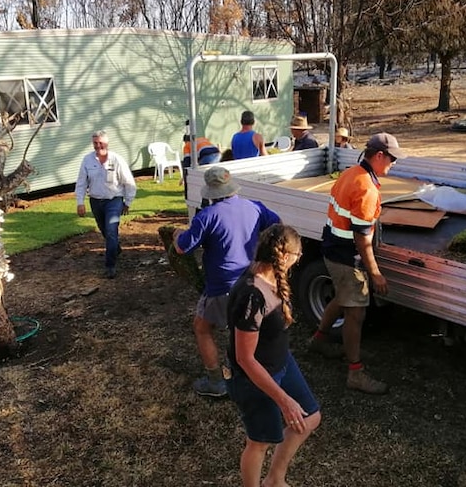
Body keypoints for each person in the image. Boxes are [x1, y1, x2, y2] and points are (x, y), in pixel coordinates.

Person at [307, 133, 406, 394]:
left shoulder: (351, 173)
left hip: (331, 248)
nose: (393, 164)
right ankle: (355, 373)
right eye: (392, 159)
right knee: (356, 312)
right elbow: (363, 240)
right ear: (379, 156)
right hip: (345, 257)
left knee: (342, 298)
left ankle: (318, 340)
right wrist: (375, 273)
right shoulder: (366, 187)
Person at [173, 166, 281, 398]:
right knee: (248, 331)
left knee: (202, 328)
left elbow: (182, 247)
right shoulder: (254, 207)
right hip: (253, 282)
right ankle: (261, 376)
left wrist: (175, 235)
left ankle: (216, 382)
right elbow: (277, 225)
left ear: (210, 192)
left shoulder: (206, 216)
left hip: (222, 285)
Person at [226, 223, 321, 487]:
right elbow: (245, 359)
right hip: (254, 379)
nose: (297, 261)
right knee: (259, 442)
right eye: (299, 257)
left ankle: (275, 479)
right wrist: (283, 400)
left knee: (310, 417)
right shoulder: (252, 296)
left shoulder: (272, 277)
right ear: (287, 257)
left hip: (281, 363)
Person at [75, 130, 137, 279]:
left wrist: (127, 202)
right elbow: (82, 183)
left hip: (114, 200)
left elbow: (129, 183)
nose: (98, 145)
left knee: (110, 230)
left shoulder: (117, 160)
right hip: (95, 201)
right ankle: (116, 248)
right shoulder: (87, 160)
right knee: (104, 229)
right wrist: (80, 202)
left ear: (106, 143)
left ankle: (110, 266)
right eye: (95, 143)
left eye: (100, 143)